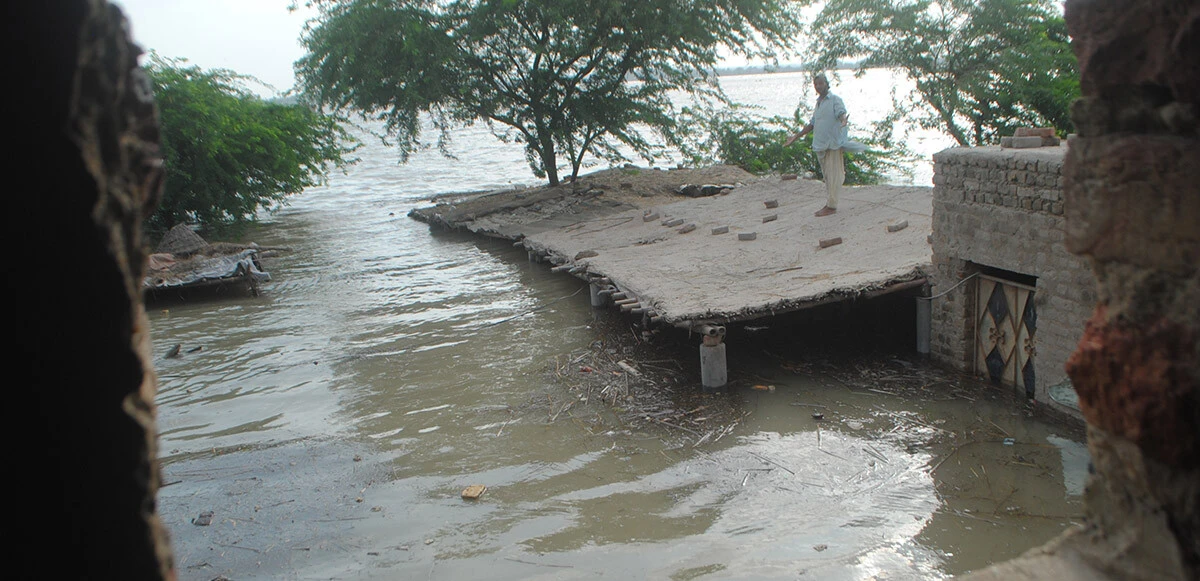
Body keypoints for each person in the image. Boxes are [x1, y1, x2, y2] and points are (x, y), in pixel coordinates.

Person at [784, 73, 866, 217]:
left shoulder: (835, 100)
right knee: (827, 176)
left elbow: (841, 113)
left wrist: (843, 121)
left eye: (821, 83)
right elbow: (812, 124)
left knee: (833, 175)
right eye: (816, 84)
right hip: (821, 145)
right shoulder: (819, 103)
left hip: (832, 144)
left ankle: (832, 206)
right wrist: (795, 137)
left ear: (827, 84)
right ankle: (829, 203)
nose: (818, 86)